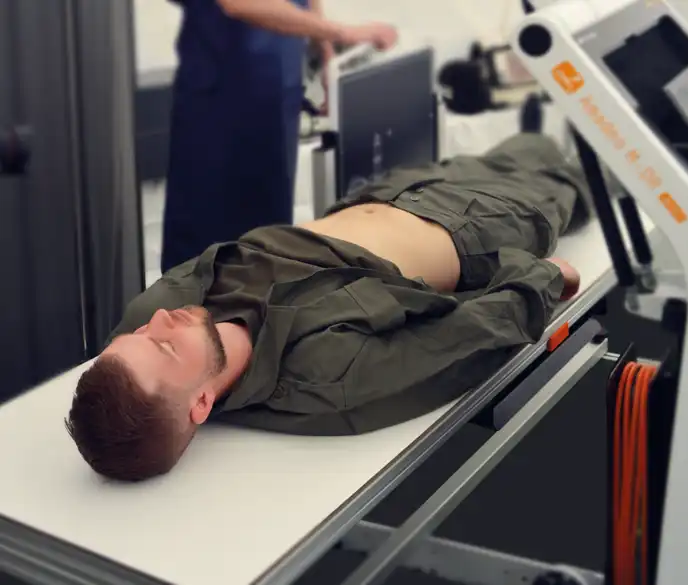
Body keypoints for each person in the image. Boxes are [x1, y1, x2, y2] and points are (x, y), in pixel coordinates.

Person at [66, 133, 589, 482]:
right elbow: (470, 336)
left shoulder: (166, 314)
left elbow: (132, 365)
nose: (158, 321)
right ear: (200, 405)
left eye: (133, 335)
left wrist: (143, 346)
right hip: (478, 221)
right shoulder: (325, 370)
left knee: (536, 140)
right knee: (594, 169)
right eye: (161, 343)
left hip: (397, 191)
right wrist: (541, 278)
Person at [161, 0, 398, 273]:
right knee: (206, 240)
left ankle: (261, 306)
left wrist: (326, 56)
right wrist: (343, 33)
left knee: (267, 234)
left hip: (277, 79)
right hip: (222, 85)